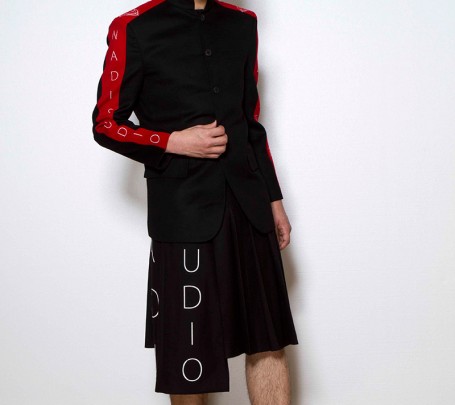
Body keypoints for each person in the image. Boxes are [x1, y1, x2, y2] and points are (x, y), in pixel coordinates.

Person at [92, 0, 299, 403]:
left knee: (268, 340)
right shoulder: (134, 27)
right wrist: (172, 141)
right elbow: (106, 123)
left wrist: (274, 199)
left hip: (250, 204)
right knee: (188, 352)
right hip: (183, 211)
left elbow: (250, 123)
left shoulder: (242, 24)